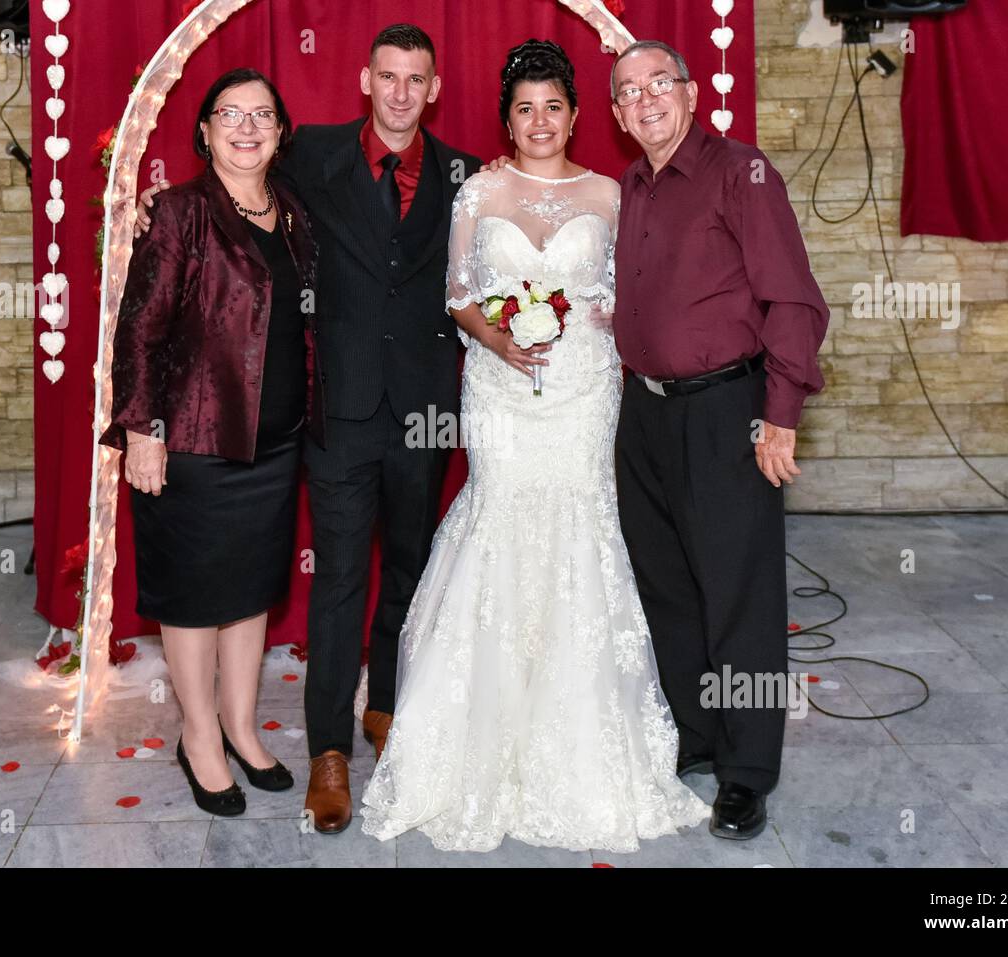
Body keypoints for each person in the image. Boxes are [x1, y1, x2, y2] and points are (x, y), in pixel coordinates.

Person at [360, 39, 711, 853]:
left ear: (580, 115)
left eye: (554, 106)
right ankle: (474, 738)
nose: (540, 121)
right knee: (503, 521)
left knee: (583, 529)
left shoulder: (613, 192)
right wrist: (501, 339)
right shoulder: (478, 189)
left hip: (587, 391)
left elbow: (641, 289)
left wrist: (606, 324)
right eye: (525, 108)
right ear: (506, 119)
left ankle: (583, 740)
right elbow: (457, 295)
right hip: (501, 392)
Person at [135, 25, 480, 833]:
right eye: (387, 76)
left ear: (433, 89)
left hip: (426, 414)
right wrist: (161, 199)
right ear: (364, 80)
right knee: (337, 584)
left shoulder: (465, 173)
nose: (400, 92)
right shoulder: (307, 157)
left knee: (409, 568)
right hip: (337, 415)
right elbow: (226, 181)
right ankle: (329, 746)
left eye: (415, 79)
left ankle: (385, 708)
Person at [609, 41, 830, 839]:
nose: (645, 101)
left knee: (740, 596)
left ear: (692, 93)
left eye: (657, 84)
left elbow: (794, 302)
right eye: (627, 92)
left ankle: (746, 772)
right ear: (617, 113)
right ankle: (697, 736)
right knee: (668, 587)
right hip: (645, 414)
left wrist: (781, 412)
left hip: (726, 411)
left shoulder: (743, 173)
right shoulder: (633, 186)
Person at [100, 68, 324, 817]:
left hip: (275, 442)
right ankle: (198, 737)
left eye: (263, 113)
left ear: (282, 131)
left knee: (250, 589)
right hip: (190, 439)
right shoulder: (177, 212)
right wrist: (141, 430)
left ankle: (240, 726)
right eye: (229, 113)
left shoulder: (291, 208)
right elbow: (139, 329)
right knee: (195, 597)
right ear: (203, 131)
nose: (246, 126)